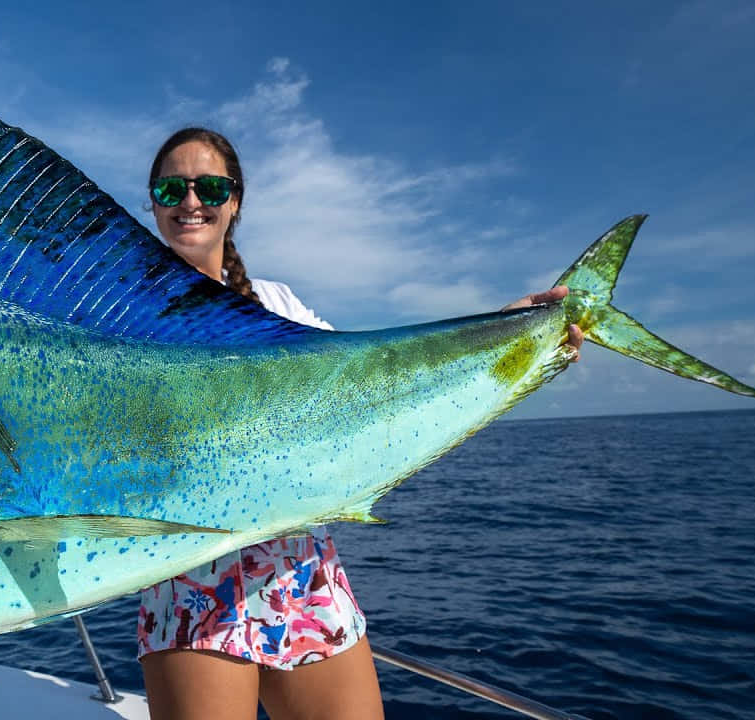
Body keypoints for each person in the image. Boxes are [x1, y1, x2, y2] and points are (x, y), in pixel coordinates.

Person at [135, 127, 583, 720]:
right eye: (173, 187)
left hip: (298, 566)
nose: (191, 201)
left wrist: (502, 334)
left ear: (235, 201)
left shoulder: (278, 304)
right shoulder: (121, 318)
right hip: (190, 571)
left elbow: (375, 381)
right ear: (153, 202)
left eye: (210, 186)